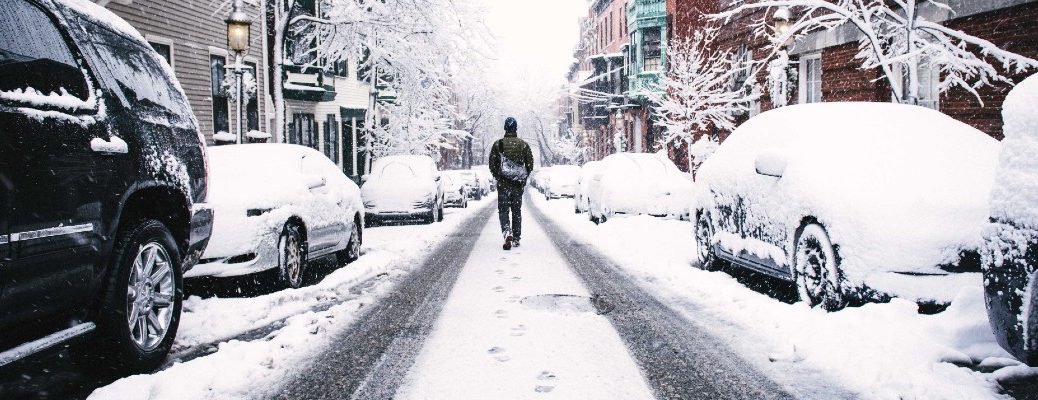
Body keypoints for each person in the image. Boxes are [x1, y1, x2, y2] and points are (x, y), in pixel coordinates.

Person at [489, 117, 534, 250]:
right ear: (515, 129)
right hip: (517, 185)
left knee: (503, 211)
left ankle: (506, 231)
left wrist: (498, 176)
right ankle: (516, 238)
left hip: (503, 185)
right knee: (516, 211)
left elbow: (492, 164)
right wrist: (522, 177)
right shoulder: (523, 145)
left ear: (505, 128)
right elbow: (530, 164)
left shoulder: (498, 145)